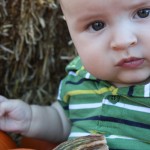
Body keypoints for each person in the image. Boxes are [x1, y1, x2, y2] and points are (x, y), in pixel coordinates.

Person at [0, 0, 150, 149]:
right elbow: (63, 121)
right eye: (97, 25)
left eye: (143, 13)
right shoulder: (79, 78)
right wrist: (29, 118)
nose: (123, 40)